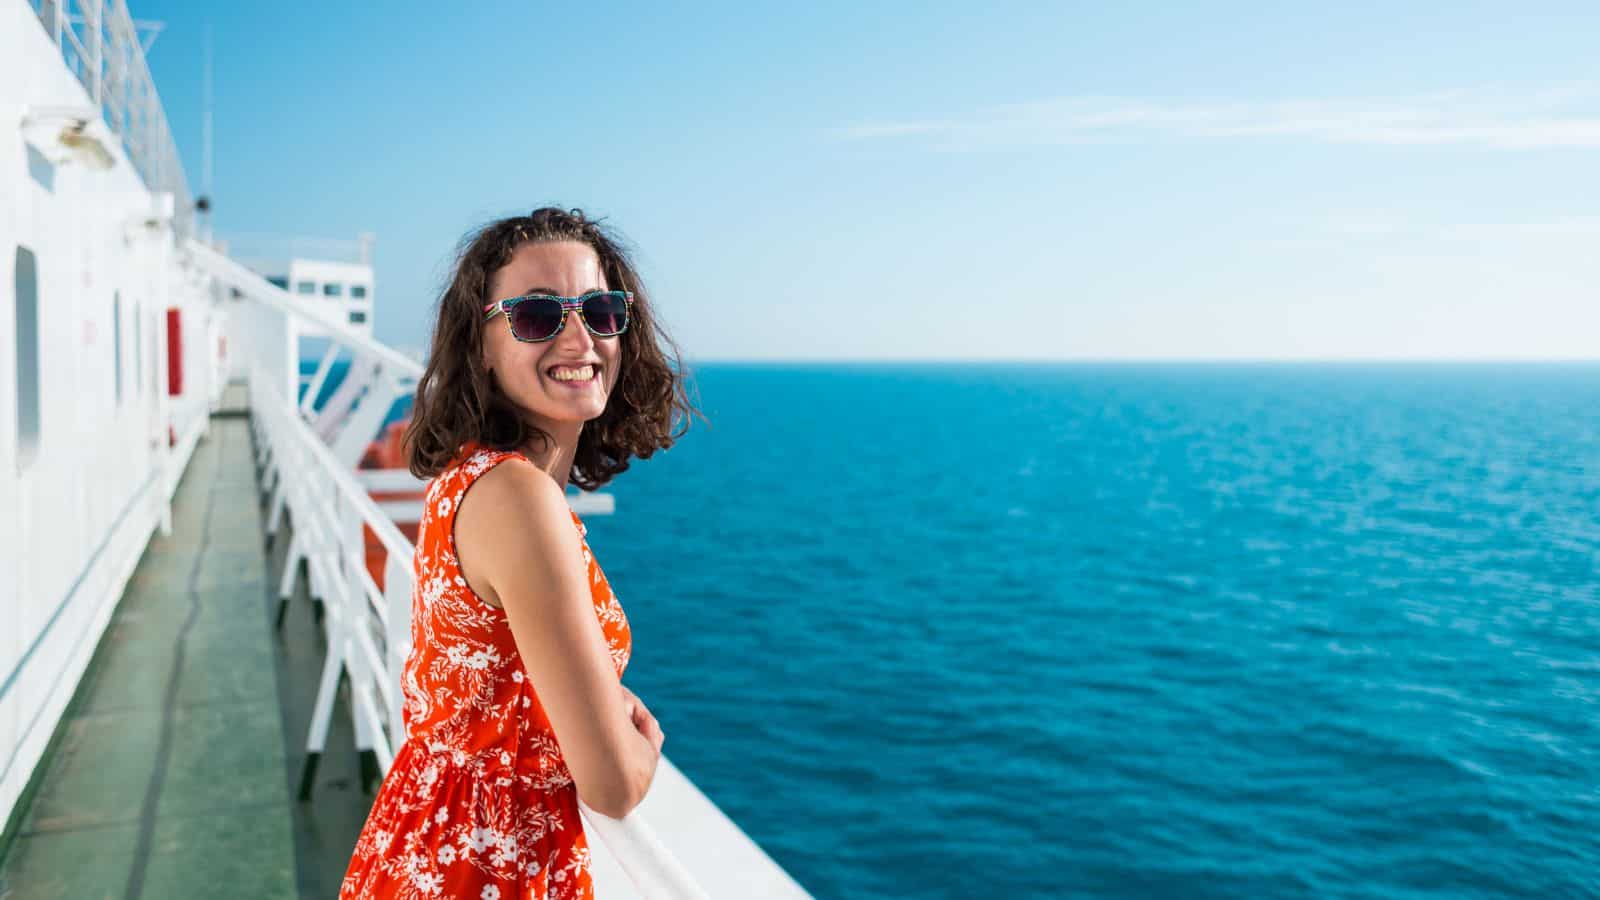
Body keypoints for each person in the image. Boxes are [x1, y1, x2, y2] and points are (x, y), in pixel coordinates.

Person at [341, 207, 704, 898]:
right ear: (478, 345)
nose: (580, 335)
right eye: (538, 316)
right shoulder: (520, 499)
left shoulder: (470, 478)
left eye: (600, 309)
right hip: (480, 868)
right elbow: (614, 784)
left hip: (430, 845)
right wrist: (641, 746)